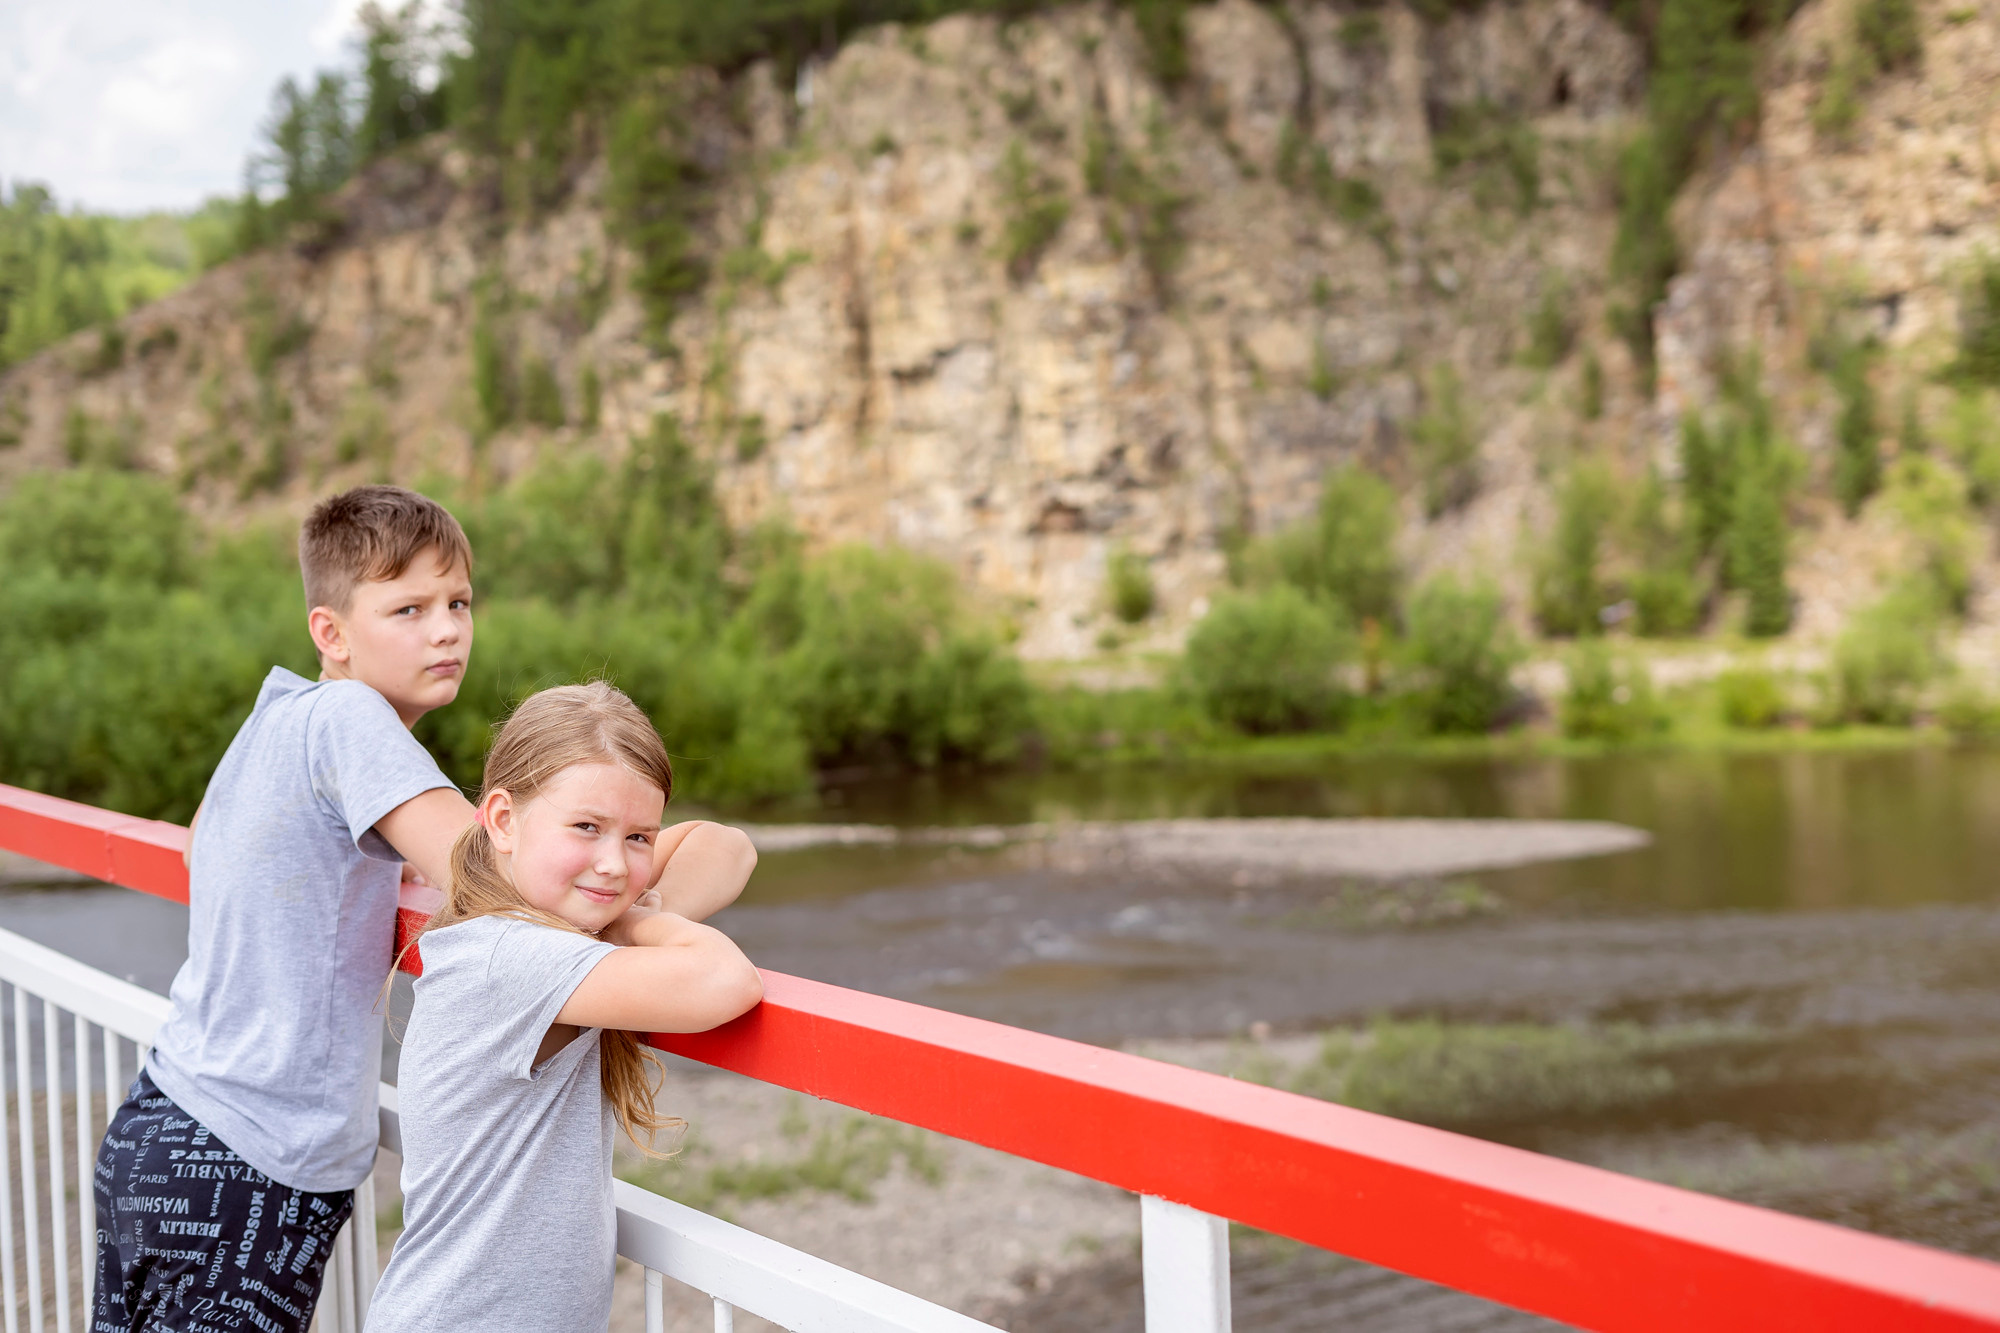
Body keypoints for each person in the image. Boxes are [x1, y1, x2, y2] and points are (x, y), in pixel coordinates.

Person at [93, 485, 482, 1333]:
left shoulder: (279, 711)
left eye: (458, 602)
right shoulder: (349, 714)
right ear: (331, 633)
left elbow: (202, 840)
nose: (447, 628)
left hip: (162, 1123)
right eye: (408, 608)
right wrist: (646, 861)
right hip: (248, 1162)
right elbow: (484, 869)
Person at [365, 682, 762, 1333]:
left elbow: (727, 845)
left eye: (639, 836)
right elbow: (724, 978)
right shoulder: (509, 958)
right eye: (586, 827)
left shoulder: (526, 932)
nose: (612, 863)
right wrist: (631, 923)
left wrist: (615, 915)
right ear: (501, 820)